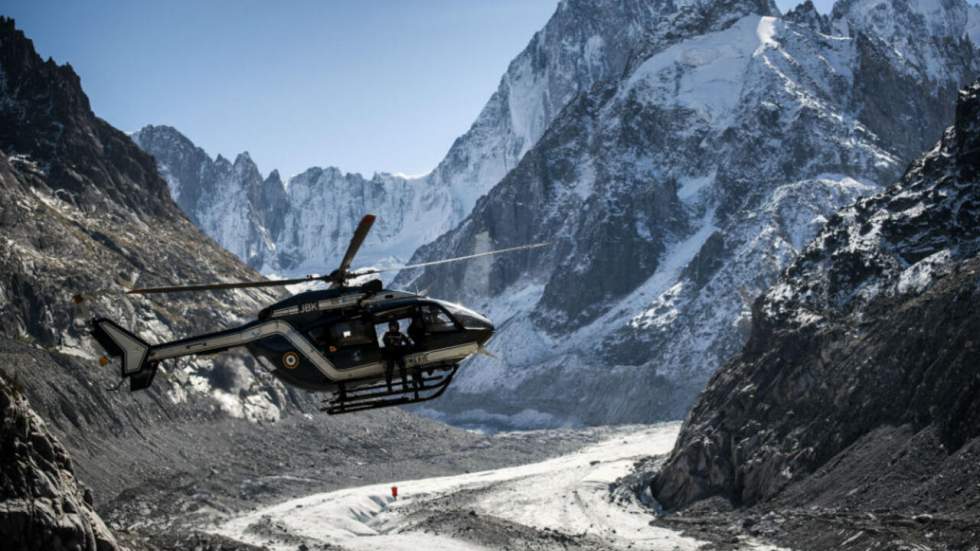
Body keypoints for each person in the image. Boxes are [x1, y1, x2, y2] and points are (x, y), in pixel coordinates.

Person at [382, 321, 413, 392]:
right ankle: (389, 387)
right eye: (391, 326)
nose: (392, 328)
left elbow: (407, 342)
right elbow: (384, 341)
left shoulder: (400, 334)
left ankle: (405, 385)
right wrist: (391, 343)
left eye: (394, 326)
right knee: (389, 370)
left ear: (397, 327)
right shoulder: (387, 334)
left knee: (403, 368)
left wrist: (407, 347)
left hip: (398, 353)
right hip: (390, 354)